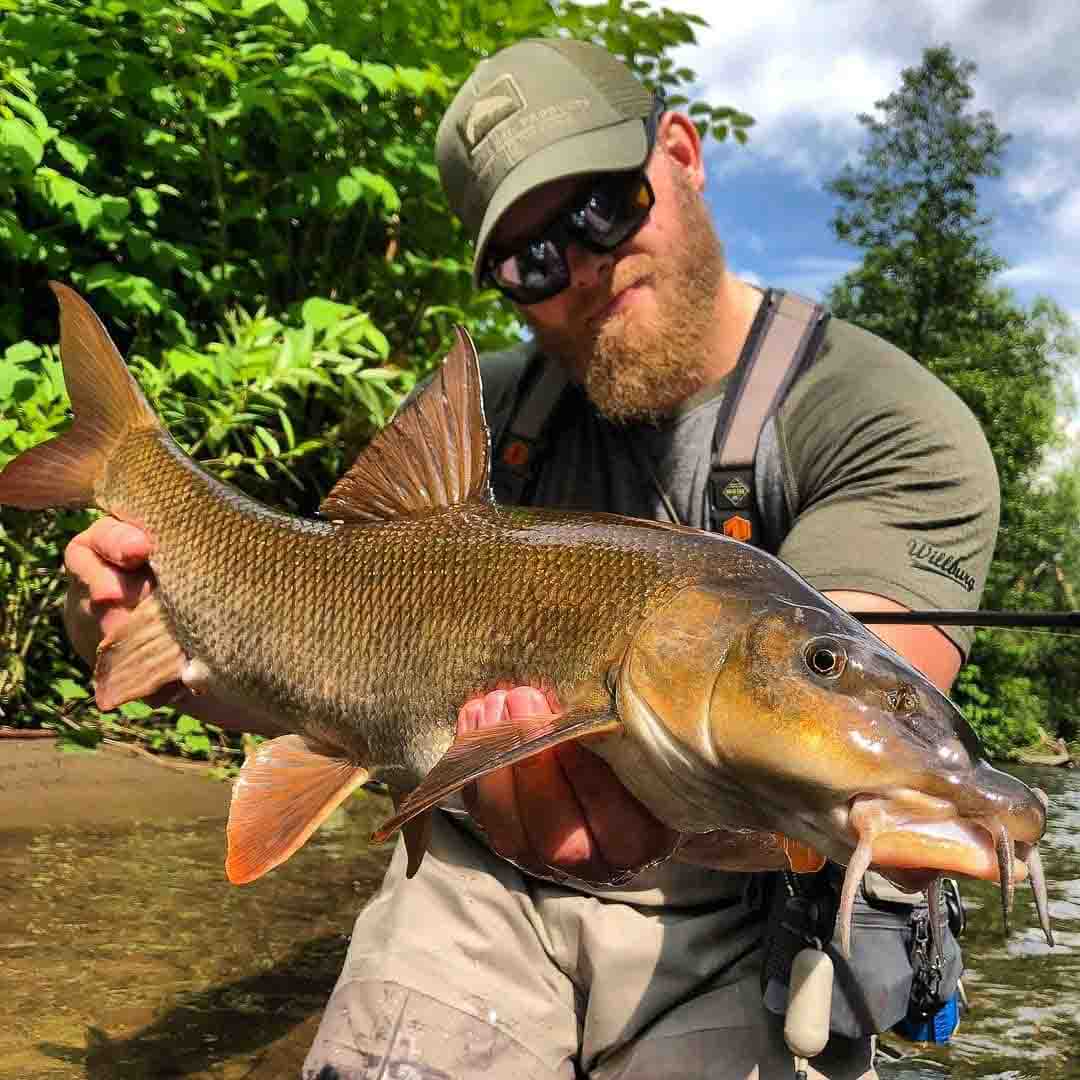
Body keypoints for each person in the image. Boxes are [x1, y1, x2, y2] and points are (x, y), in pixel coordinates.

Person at [63, 38, 999, 1080]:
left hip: (743, 916)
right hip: (474, 875)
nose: (585, 264)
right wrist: (155, 639)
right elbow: (324, 670)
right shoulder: (495, 405)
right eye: (533, 258)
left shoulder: (888, 421)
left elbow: (841, 709)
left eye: (604, 205)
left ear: (682, 152)